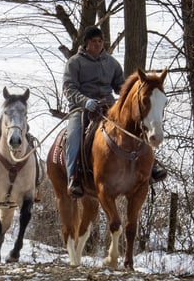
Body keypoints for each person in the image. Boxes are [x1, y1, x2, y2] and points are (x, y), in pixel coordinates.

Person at [63, 25, 167, 198]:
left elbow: (121, 85)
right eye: (93, 41)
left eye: (100, 41)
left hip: (108, 106)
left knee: (135, 127)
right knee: (74, 135)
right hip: (82, 109)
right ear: (86, 43)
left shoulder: (111, 62)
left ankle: (152, 165)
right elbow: (69, 88)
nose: (97, 45)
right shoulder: (74, 63)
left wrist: (131, 93)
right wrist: (85, 101)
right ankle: (74, 176)